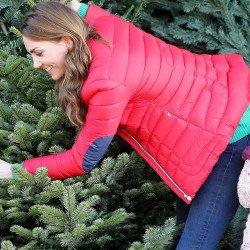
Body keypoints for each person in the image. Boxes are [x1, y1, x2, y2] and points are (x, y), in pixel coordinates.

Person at [0, 1, 249, 248]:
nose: (35, 64)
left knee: (194, 245)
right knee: (181, 235)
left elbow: (82, 159)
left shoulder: (107, 83)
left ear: (67, 41)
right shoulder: (103, 25)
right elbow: (77, 7)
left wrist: (12, 171)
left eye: (39, 53)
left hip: (229, 137)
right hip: (221, 107)